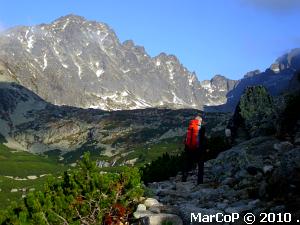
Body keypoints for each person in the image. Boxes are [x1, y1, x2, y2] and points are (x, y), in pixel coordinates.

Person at [182, 115, 207, 184]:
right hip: (198, 149)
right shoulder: (202, 128)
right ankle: (200, 181)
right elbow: (202, 139)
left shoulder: (190, 127)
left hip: (188, 149)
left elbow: (187, 139)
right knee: (200, 164)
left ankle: (184, 178)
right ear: (200, 121)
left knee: (186, 163)